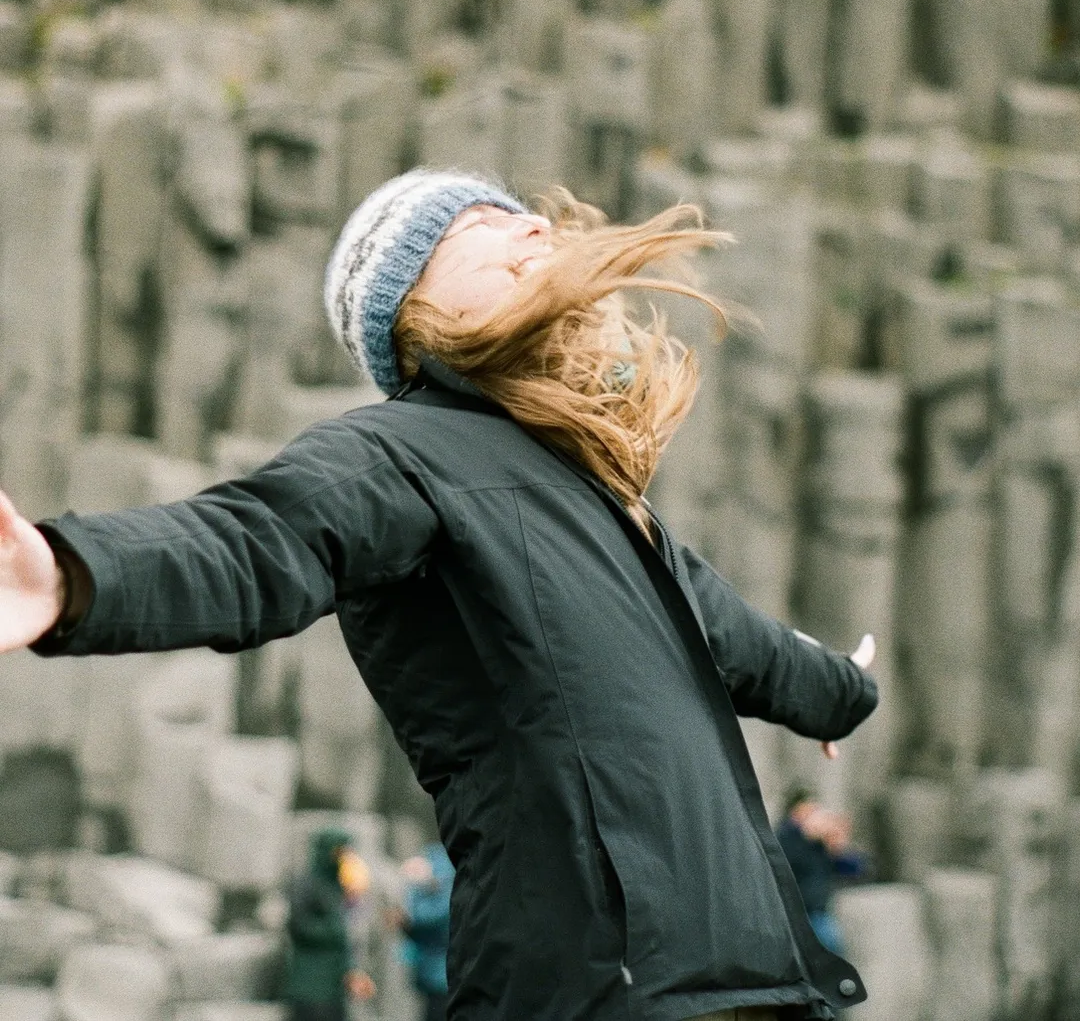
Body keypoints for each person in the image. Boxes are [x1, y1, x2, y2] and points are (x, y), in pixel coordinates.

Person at [0, 168, 879, 1021]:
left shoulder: (611, 502)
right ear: (407, 307)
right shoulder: (399, 454)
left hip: (752, 981)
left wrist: (844, 691)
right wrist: (70, 574)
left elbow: (753, 648)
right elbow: (257, 538)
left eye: (524, 216)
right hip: (591, 987)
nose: (533, 227)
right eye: (478, 227)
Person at [284, 828, 376, 1021]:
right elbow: (299, 926)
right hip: (310, 984)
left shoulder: (340, 885)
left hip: (335, 985)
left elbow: (349, 935)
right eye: (340, 852)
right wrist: (337, 928)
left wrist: (352, 969)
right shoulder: (306, 883)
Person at [775, 788, 868, 958]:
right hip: (791, 915)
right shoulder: (784, 836)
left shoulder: (820, 844)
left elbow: (857, 870)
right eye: (809, 810)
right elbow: (784, 861)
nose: (814, 816)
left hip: (818, 912)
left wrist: (838, 845)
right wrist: (804, 834)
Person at [397, 844, 454, 1021]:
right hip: (431, 970)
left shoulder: (445, 884)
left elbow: (431, 916)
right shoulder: (427, 885)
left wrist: (407, 920)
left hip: (443, 973)